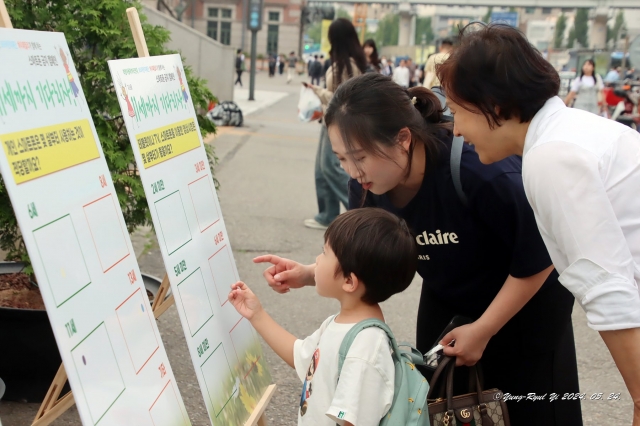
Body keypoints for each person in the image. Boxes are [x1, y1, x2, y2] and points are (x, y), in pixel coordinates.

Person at [256, 72, 583, 425]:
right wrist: (308, 273)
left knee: (530, 411)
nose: (352, 172)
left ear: (403, 139)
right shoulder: (366, 189)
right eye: (341, 160)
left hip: (525, 305)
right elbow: (364, 258)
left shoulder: (480, 171)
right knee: (443, 407)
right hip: (448, 301)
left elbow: (539, 255)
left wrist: (485, 328)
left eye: (360, 157)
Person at [437, 22, 640, 425]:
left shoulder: (551, 157)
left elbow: (610, 293)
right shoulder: (571, 133)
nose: (456, 129)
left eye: (458, 111)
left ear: (493, 104)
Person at [230, 208, 417, 425]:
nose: (317, 260)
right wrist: (257, 315)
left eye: (325, 253)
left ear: (349, 282)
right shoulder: (340, 323)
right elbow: (301, 356)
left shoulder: (365, 348)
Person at [302, 19, 367, 230]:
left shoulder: (349, 66)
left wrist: (318, 92)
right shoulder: (345, 62)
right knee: (322, 169)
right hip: (330, 122)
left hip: (340, 124)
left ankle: (358, 211)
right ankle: (327, 214)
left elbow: (342, 99)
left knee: (330, 167)